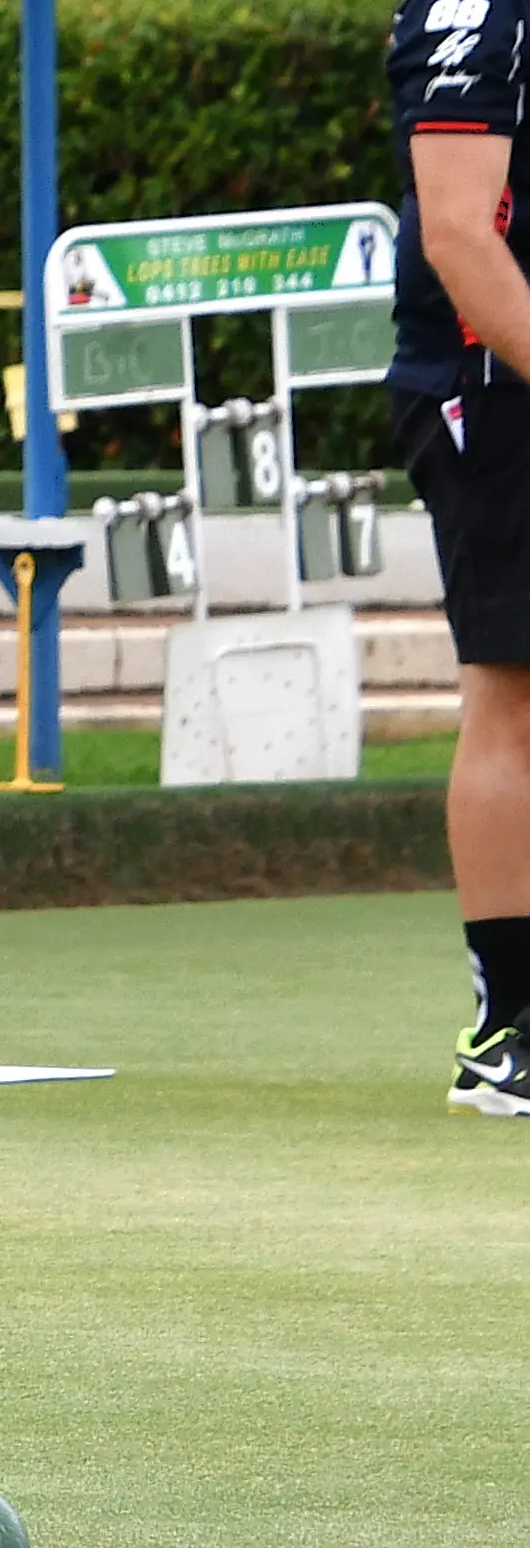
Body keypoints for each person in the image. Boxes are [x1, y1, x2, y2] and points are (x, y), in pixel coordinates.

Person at [388, 0, 530, 1117]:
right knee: (513, 692)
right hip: (495, 389)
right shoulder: (473, 8)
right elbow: (458, 232)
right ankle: (510, 1031)